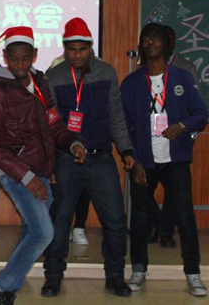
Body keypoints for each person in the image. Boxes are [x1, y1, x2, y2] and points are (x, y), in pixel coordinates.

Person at [0, 27, 85, 305]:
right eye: (14, 59)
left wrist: (72, 142)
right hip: (15, 173)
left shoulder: (40, 83)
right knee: (43, 232)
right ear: (5, 57)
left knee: (31, 230)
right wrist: (25, 176)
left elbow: (53, 123)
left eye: (26, 58)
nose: (20, 65)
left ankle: (7, 293)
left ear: (35, 55)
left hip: (41, 170)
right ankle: (0, 288)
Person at [41, 18, 134, 298]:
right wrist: (52, 160)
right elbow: (51, 123)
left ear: (91, 47)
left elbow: (116, 115)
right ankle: (53, 276)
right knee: (60, 219)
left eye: (82, 49)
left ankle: (115, 276)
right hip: (67, 159)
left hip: (101, 157)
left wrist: (126, 150)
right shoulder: (53, 76)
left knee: (115, 220)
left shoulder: (107, 72)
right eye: (72, 50)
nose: (77, 55)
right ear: (64, 48)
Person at [120, 23, 208, 298]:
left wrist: (182, 126)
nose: (150, 42)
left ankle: (193, 274)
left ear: (167, 45)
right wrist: (132, 159)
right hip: (143, 162)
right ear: (141, 45)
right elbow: (123, 125)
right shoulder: (132, 82)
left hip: (176, 160)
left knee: (185, 218)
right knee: (139, 219)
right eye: (146, 38)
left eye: (156, 38)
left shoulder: (182, 78)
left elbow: (201, 114)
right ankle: (138, 270)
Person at [147, 25, 202, 249]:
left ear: (173, 43)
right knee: (141, 189)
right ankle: (156, 222)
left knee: (174, 191)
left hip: (178, 137)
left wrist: (188, 131)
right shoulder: (144, 68)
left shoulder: (186, 69)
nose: (161, 43)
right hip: (149, 141)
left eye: (167, 39)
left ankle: (167, 231)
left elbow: (196, 107)